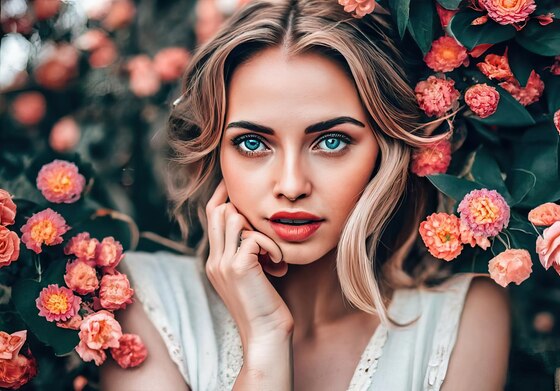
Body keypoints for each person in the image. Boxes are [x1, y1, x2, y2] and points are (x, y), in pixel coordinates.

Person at [100, 0, 510, 389]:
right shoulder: (142, 298)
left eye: (331, 142)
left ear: (385, 149)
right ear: (215, 154)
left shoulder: (463, 317)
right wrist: (264, 341)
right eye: (253, 144)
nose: (292, 186)